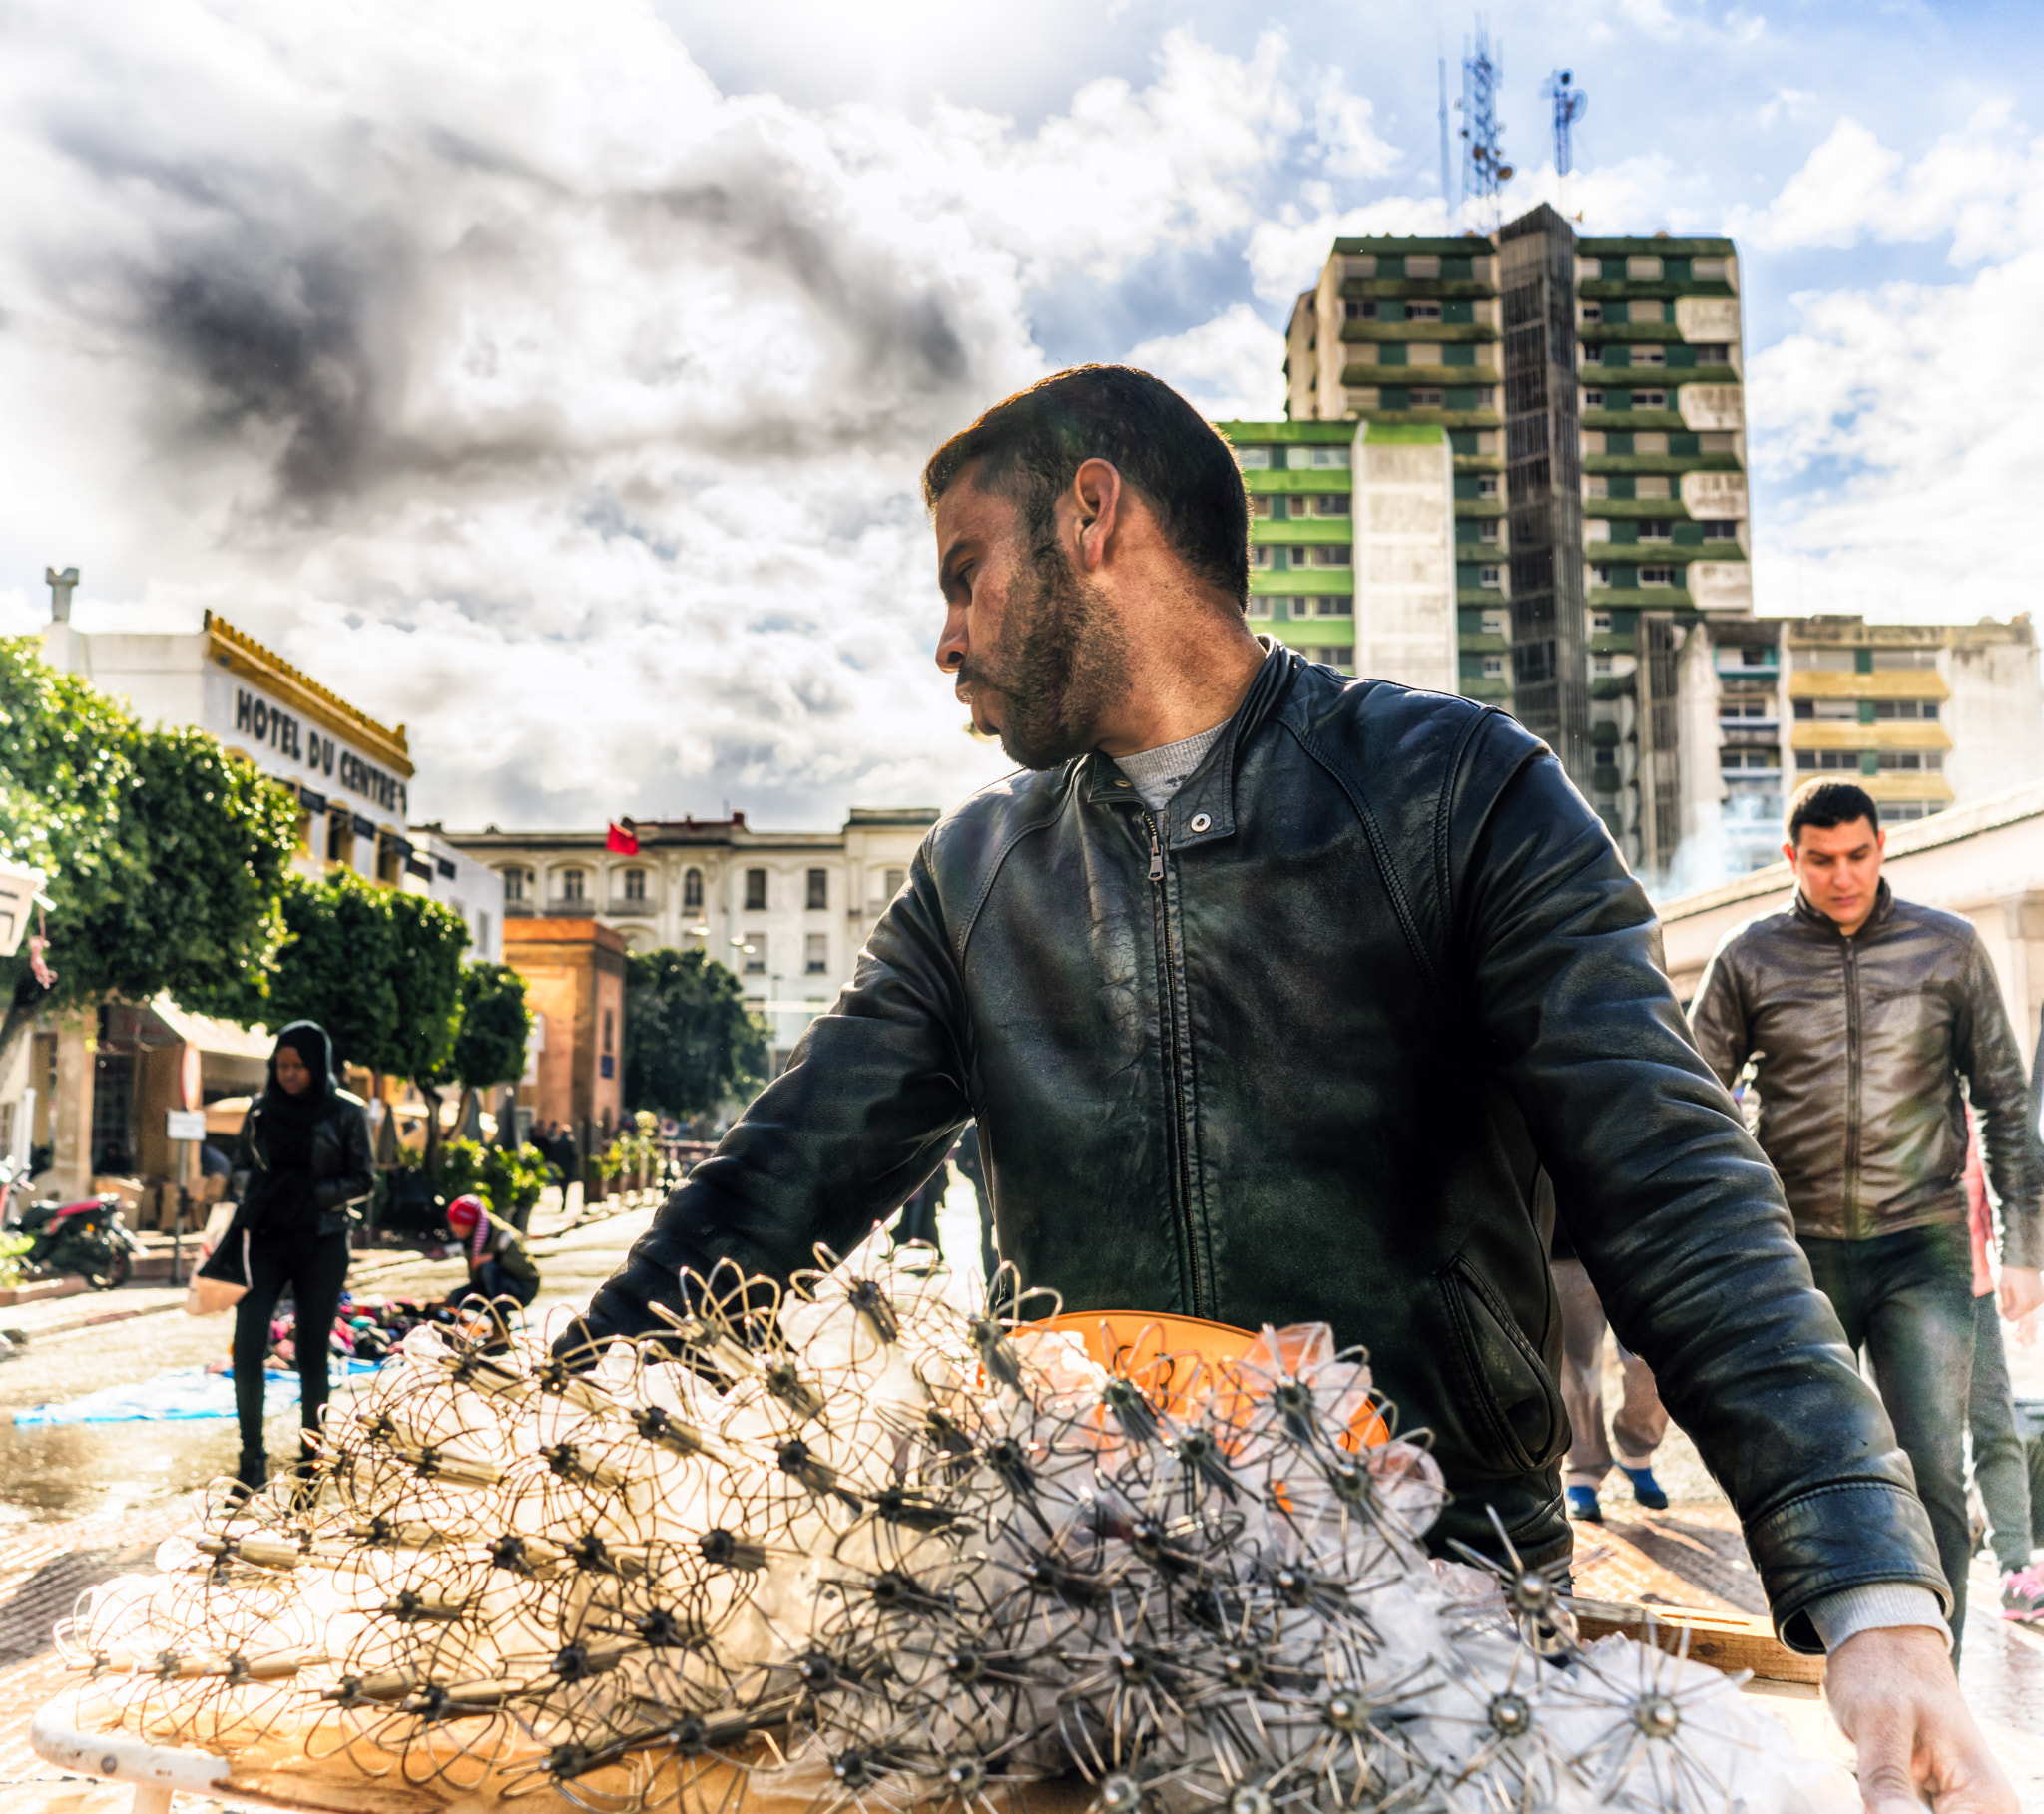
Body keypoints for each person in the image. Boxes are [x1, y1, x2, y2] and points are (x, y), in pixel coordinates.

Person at [567, 368, 2013, 1809]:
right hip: (1087, 1618)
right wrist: (542, 1427)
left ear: (1091, 513)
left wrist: (1870, 1576)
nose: (944, 641)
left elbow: (1674, 1176)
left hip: (1444, 1610)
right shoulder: (971, 882)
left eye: (965, 574)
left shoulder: (1461, 792)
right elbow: (770, 1189)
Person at [1692, 777, 2044, 1673]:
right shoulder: (1750, 957)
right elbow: (1692, 1102)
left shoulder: (1950, 949)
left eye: (1857, 856)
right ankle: (1835, 1684)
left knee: (1930, 1474)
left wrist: (2024, 1250)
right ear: (1792, 858)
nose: (1842, 876)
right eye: (1821, 860)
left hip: (1921, 1248)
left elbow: (2006, 1105)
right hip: (1797, 1253)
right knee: (1804, 1473)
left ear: (1882, 847)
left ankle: (1943, 1688)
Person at [200, 1023, 373, 1491]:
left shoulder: (346, 1113)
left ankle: (311, 1458)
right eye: (283, 1065)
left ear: (318, 1066)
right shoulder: (260, 1110)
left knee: (313, 1351)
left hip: (322, 1238)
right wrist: (256, 1194)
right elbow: (240, 1165)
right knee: (249, 1343)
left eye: (299, 1066)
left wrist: (312, 1194)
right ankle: (251, 1457)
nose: (290, 1074)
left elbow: (365, 1178)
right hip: (267, 1238)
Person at [1550, 1210, 1669, 1524]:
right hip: (1561, 1251)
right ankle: (1582, 1473)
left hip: (1636, 1246)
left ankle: (1637, 1451)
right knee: (1576, 1371)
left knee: (1650, 1361)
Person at [446, 1193, 541, 1308]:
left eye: (456, 1223)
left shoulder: (504, 1236)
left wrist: (495, 1258)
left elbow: (528, 1272)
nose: (453, 1228)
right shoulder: (469, 1239)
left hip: (521, 1289)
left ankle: (500, 1320)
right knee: (457, 1298)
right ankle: (487, 1318)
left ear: (469, 1223)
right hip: (491, 1289)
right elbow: (475, 1280)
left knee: (489, 1269)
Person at [954, 1121, 996, 1286]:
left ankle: (990, 1274)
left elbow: (960, 1163)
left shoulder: (972, 1131)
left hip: (983, 1187)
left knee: (986, 1232)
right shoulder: (1005, 1123)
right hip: (1005, 1189)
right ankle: (1008, 1271)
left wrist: (976, 1177)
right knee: (1006, 1231)